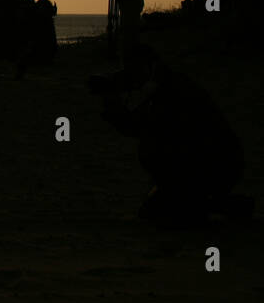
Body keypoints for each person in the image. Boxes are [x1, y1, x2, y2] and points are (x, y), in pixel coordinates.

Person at [91, 46, 251, 224]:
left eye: (134, 71)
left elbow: (138, 127)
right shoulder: (171, 85)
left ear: (149, 68)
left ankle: (202, 203)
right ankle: (208, 202)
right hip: (215, 162)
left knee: (160, 201)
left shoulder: (172, 90)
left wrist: (113, 101)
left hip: (213, 164)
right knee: (155, 207)